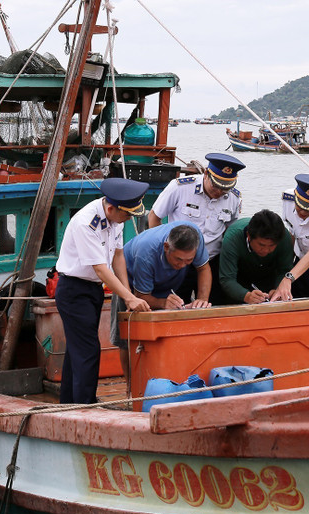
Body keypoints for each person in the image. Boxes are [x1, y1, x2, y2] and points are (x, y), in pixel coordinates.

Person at [54, 178, 151, 404]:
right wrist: (129, 297)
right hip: (74, 290)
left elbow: (118, 256)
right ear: (110, 209)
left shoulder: (117, 218)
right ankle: (85, 406)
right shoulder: (86, 223)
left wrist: (128, 293)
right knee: (88, 350)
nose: (128, 218)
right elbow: (100, 268)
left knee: (77, 350)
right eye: (127, 214)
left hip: (92, 290)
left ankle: (69, 403)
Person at [111, 221, 211, 376]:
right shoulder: (146, 253)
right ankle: (132, 386)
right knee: (127, 340)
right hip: (130, 285)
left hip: (167, 282)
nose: (183, 265)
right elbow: (140, 296)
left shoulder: (195, 236)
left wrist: (202, 300)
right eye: (178, 259)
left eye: (189, 261)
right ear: (166, 247)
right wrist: (163, 303)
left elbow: (203, 268)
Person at [148, 153, 245, 304]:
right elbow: (154, 216)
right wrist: (164, 253)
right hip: (179, 260)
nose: (219, 192)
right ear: (206, 174)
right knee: (177, 304)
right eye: (216, 186)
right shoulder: (180, 187)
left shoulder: (234, 198)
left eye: (225, 188)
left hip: (212, 260)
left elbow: (230, 230)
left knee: (212, 304)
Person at [218, 209, 294, 304]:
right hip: (239, 278)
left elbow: (285, 270)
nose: (266, 250)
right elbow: (227, 279)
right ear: (249, 236)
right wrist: (246, 296)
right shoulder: (232, 238)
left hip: (269, 276)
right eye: (261, 245)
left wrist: (278, 288)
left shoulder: (284, 237)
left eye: (271, 245)